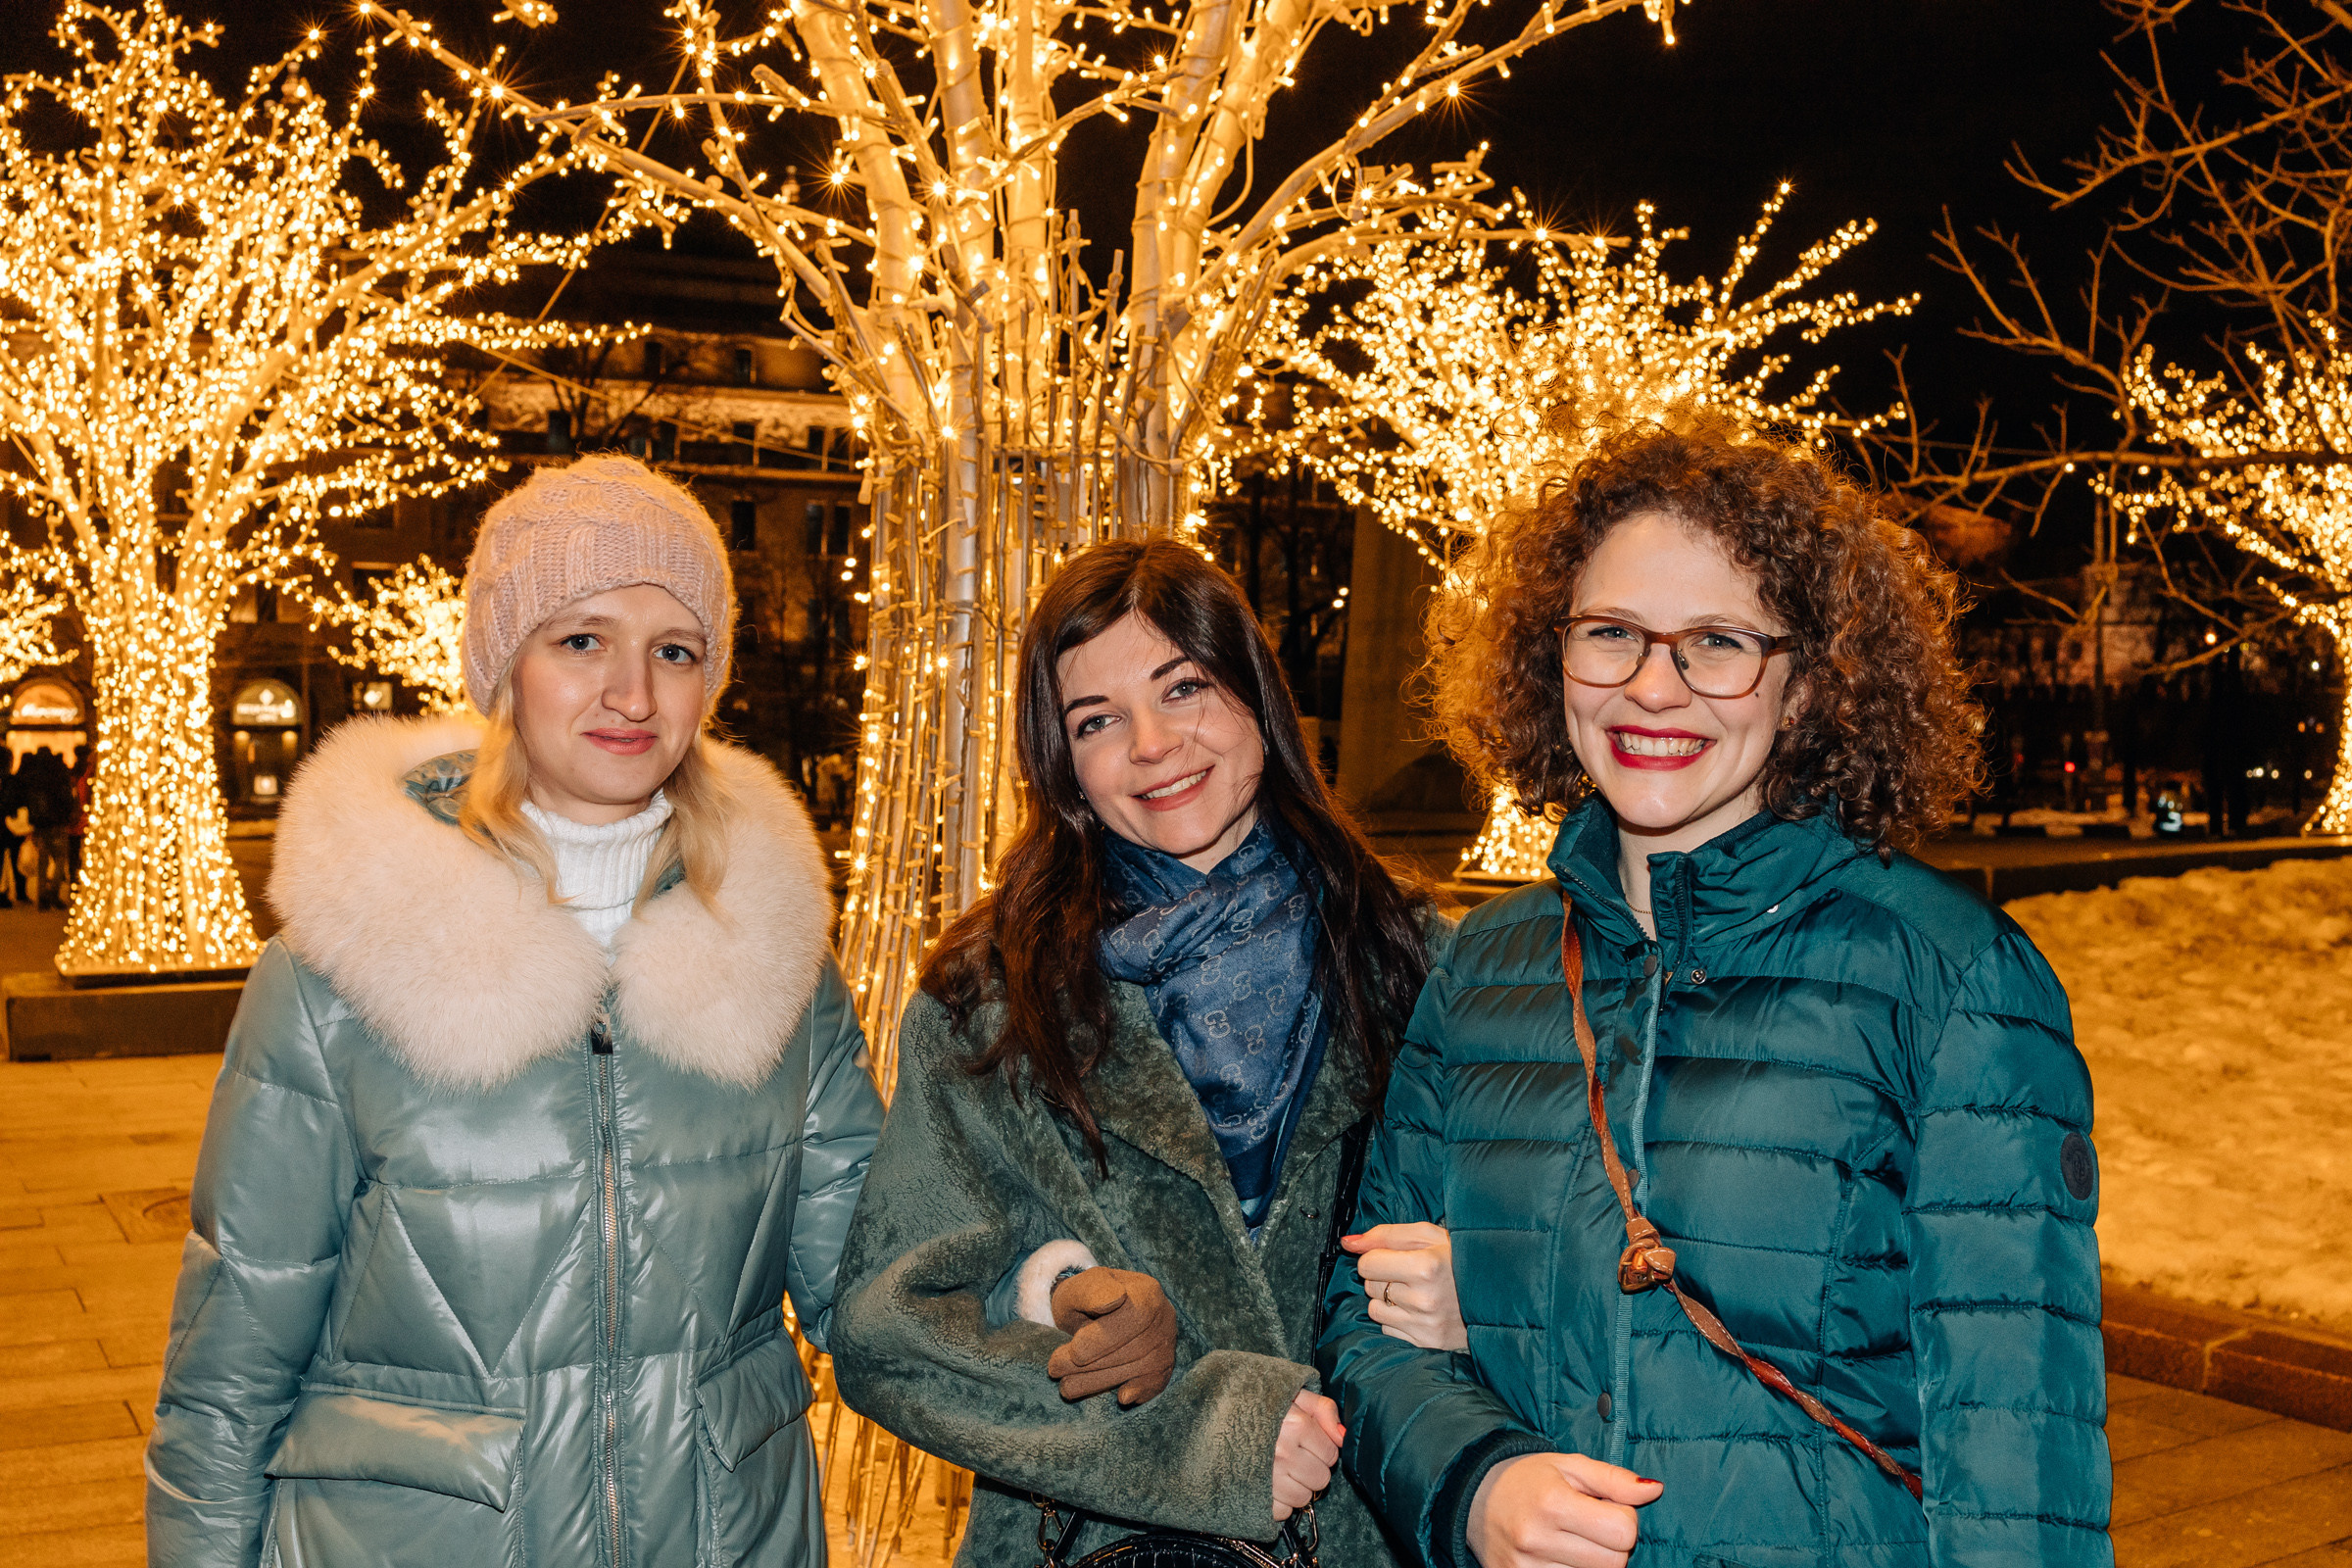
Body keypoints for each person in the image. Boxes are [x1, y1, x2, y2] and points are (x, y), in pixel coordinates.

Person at [1322, 414, 2112, 1568]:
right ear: (1555, 658)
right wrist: (1474, 1480)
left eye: (1718, 643)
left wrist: (1485, 1296)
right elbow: (1367, 1324)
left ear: (1808, 687)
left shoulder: (1950, 980)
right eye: (1613, 633)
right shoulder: (1484, 966)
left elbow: (2018, 1449)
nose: (1655, 687)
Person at [145, 455, 885, 1568]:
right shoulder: (341, 968)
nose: (632, 693)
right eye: (581, 638)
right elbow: (229, 1373)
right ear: (506, 667)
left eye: (673, 650)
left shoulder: (778, 957)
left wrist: (1046, 1287)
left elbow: (882, 1285)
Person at [830, 538, 1453, 1565]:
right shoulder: (988, 1000)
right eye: (1099, 721)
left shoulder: (1413, 961)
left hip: (1370, 1532)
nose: (1154, 743)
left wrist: (1471, 1286)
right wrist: (1184, 1429)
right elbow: (894, 1327)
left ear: (1257, 697)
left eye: (1185, 688)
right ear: (1063, 762)